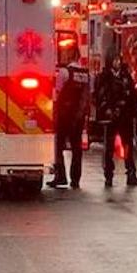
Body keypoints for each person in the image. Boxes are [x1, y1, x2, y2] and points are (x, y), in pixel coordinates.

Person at [94, 53, 137, 187]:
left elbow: (132, 94)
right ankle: (108, 175)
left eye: (118, 60)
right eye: (114, 60)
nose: (117, 62)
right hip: (110, 117)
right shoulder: (104, 77)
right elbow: (99, 95)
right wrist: (106, 109)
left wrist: (132, 109)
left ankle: (131, 173)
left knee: (128, 145)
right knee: (109, 148)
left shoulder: (126, 76)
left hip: (125, 116)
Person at [49, 56, 91, 189]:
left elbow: (57, 92)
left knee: (58, 147)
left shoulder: (64, 72)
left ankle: (60, 176)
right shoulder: (86, 74)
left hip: (64, 115)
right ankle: (75, 179)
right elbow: (89, 94)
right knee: (76, 148)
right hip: (79, 116)